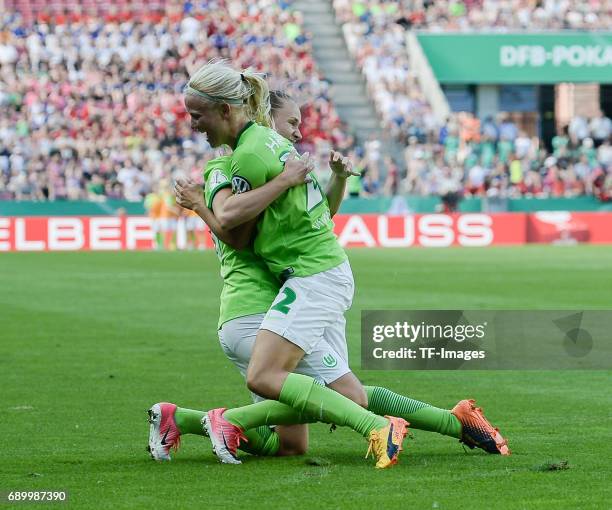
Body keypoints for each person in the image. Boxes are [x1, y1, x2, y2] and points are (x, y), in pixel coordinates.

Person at [150, 62, 509, 469]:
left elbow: (246, 228)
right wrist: (260, 189)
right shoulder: (252, 162)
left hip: (286, 290)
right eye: (291, 123)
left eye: (198, 116)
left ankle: (207, 420)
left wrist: (205, 204)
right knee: (332, 403)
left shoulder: (258, 157)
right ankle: (450, 421)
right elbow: (251, 226)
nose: (297, 133)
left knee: (331, 395)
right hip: (281, 291)